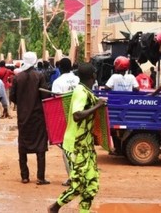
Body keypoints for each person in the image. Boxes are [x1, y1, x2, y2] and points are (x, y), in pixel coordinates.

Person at [48, 63, 108, 213]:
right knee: (79, 184)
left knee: (92, 185)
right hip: (76, 144)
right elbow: (76, 115)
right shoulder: (80, 92)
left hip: (86, 145)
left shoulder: (86, 91)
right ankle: (55, 207)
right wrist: (97, 106)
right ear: (93, 76)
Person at [10, 51, 50, 185]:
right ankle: (40, 177)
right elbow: (45, 96)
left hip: (23, 117)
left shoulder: (17, 78)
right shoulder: (40, 76)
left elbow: (12, 97)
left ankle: (25, 176)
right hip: (38, 117)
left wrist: (22, 104)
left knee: (23, 146)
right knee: (40, 147)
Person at [50, 57, 80, 187]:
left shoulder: (58, 82)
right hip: (81, 116)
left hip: (66, 119)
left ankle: (72, 177)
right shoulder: (78, 79)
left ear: (60, 68)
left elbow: (56, 102)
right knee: (79, 147)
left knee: (67, 149)